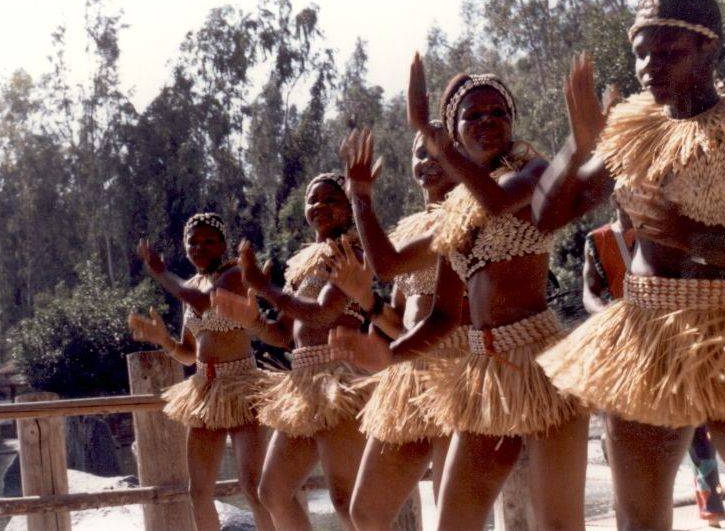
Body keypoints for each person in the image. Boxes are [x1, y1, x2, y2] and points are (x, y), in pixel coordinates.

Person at [533, 0, 725, 529]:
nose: (648, 67)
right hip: (643, 339)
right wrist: (577, 144)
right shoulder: (634, 130)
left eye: (667, 52)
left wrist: (693, 235)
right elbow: (546, 217)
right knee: (639, 517)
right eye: (640, 52)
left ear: (710, 49)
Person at [330, 57, 587, 531]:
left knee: (559, 525)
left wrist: (437, 139)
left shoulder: (532, 173)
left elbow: (494, 201)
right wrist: (360, 197)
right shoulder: (456, 216)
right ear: (455, 128)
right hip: (482, 374)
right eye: (472, 115)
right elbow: (427, 301)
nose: (486, 122)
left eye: (497, 113)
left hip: (540, 366)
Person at [322, 119, 470, 530]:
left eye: (441, 152)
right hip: (409, 376)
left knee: (452, 515)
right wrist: (366, 300)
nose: (429, 161)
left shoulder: (471, 217)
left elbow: (448, 315)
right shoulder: (407, 231)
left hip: (455, 375)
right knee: (365, 512)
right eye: (421, 152)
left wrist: (360, 198)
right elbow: (399, 320)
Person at [210, 173, 370, 531]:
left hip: (339, 381)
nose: (320, 206)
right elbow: (283, 335)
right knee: (273, 491)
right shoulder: (302, 264)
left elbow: (324, 312)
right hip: (301, 383)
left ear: (348, 207)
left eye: (331, 199)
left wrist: (265, 287)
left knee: (347, 500)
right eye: (313, 200)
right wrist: (250, 318)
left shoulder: (352, 251)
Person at [584, 208, 725, 530]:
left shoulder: (669, 222)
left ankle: (711, 505)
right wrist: (607, 314)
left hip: (689, 334)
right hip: (633, 346)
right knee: (642, 471)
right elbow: (588, 290)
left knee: (704, 435)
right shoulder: (598, 240)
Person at [126, 213, 276, 531]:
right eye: (193, 242)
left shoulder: (233, 275)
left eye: (209, 241)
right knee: (199, 491)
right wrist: (162, 339)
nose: (200, 247)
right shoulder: (190, 285)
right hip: (205, 389)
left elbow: (202, 301)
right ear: (184, 246)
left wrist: (160, 271)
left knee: (253, 487)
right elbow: (188, 354)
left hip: (243, 388)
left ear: (223, 244)